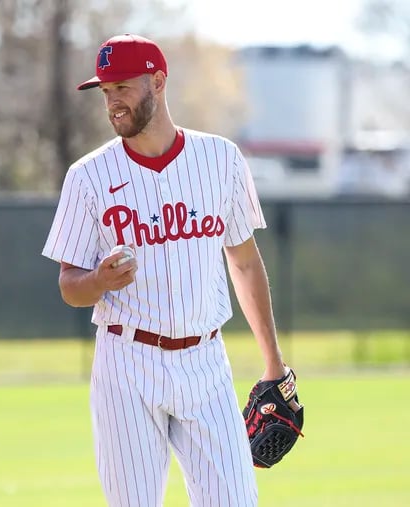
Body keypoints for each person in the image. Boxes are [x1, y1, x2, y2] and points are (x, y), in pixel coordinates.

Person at [41, 34, 299, 506]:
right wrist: (96, 282)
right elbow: (68, 287)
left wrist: (273, 364)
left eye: (122, 87)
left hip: (206, 360)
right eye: (105, 91)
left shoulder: (219, 160)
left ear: (158, 82)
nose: (113, 101)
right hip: (126, 362)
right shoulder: (88, 176)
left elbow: (243, 262)